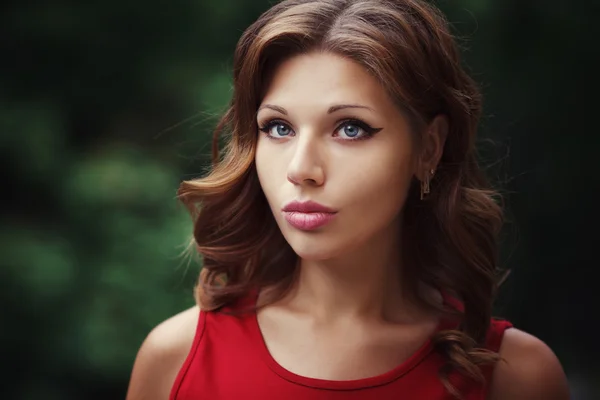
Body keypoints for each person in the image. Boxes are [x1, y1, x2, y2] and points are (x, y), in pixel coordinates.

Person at [126, 0, 569, 399]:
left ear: (429, 148)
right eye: (279, 128)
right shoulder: (175, 359)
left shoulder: (515, 376)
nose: (301, 168)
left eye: (350, 128)